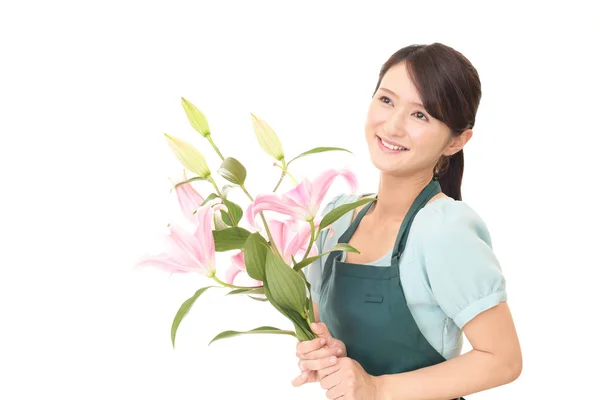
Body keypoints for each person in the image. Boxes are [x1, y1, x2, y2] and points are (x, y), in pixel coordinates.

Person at [292, 43, 522, 399]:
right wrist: (322, 351)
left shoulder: (444, 229)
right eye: (386, 100)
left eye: (421, 115)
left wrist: (377, 387)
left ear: (457, 141)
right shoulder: (336, 221)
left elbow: (503, 360)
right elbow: (327, 328)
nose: (393, 125)